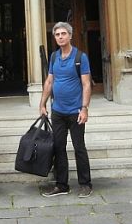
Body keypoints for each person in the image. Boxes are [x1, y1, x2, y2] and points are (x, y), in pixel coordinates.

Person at [39, 22, 93, 198]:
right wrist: (42, 104)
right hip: (58, 111)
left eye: (63, 34)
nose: (60, 37)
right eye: (57, 34)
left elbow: (86, 84)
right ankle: (62, 185)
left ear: (70, 36)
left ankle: (85, 184)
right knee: (58, 147)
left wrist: (84, 108)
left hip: (75, 111)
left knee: (79, 148)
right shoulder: (54, 57)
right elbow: (49, 82)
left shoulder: (80, 57)